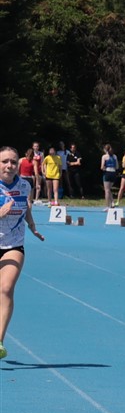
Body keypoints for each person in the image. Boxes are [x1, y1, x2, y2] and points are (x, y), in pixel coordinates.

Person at [0, 146, 46, 360]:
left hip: (13, 245)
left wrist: (32, 226)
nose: (9, 166)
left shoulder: (24, 185)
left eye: (13, 161)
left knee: (6, 288)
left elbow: (25, 206)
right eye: (4, 161)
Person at [100, 143, 119, 210]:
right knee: (108, 189)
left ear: (105, 150)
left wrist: (104, 168)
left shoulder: (104, 156)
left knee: (106, 190)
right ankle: (112, 202)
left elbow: (102, 167)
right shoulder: (115, 156)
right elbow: (117, 167)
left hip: (107, 173)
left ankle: (107, 206)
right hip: (113, 173)